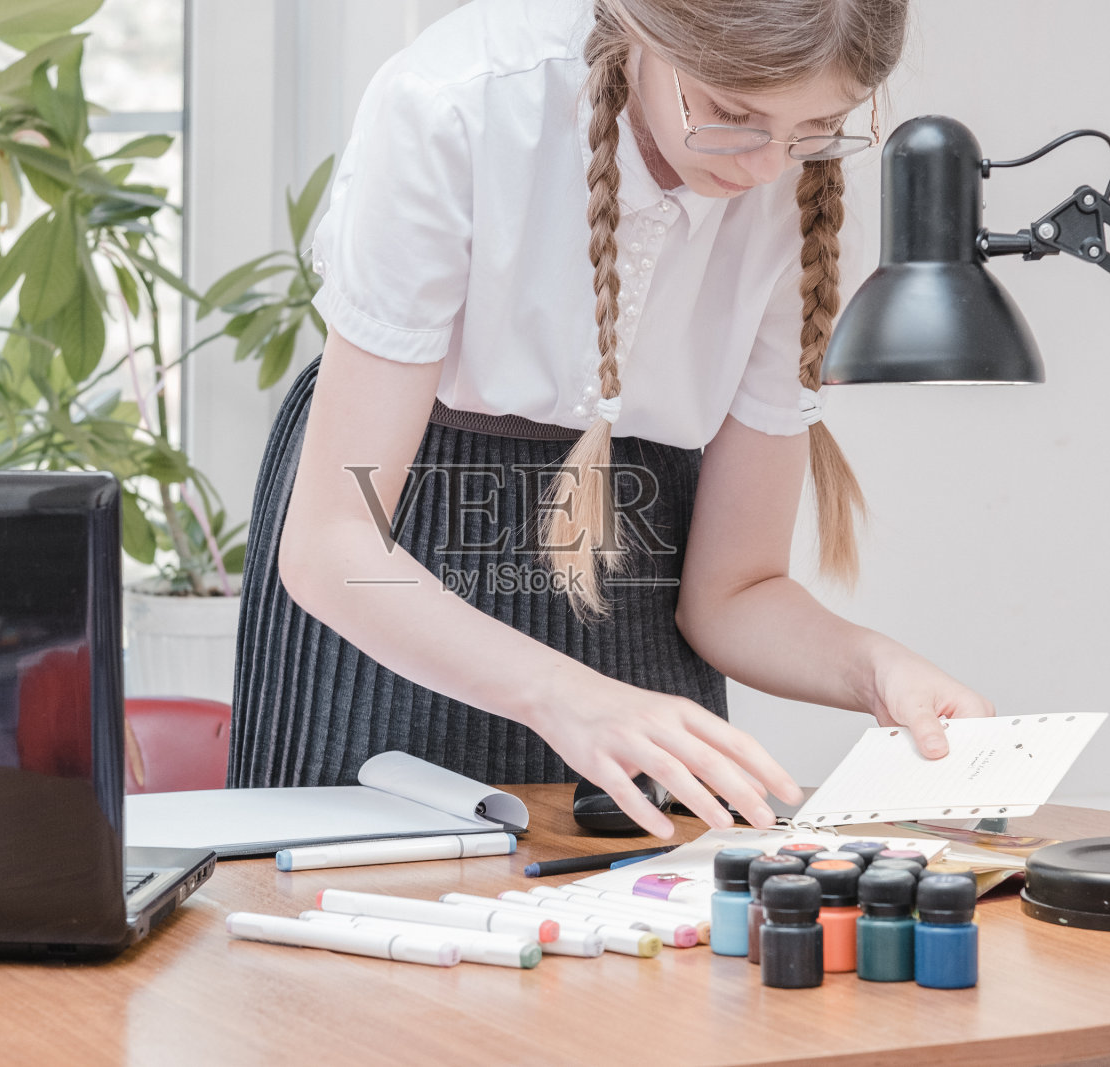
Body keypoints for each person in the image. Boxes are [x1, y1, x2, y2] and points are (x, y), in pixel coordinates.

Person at [228, 0, 995, 839]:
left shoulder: (795, 182)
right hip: (394, 584)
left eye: (819, 124)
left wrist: (876, 669)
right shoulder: (455, 102)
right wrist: (568, 697)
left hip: (630, 578)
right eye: (733, 116)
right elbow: (332, 546)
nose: (768, 167)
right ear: (645, 33)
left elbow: (732, 595)